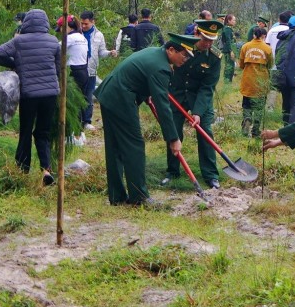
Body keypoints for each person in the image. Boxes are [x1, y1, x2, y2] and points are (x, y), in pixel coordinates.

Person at [95, 36, 192, 206]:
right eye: (184, 55)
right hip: (120, 98)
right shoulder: (161, 67)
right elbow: (163, 106)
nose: (185, 59)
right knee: (135, 146)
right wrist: (173, 138)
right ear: (171, 50)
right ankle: (139, 198)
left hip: (109, 94)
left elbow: (140, 77)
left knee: (115, 147)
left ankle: (117, 197)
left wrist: (145, 94)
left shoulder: (155, 52)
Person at [0, 9, 62, 185]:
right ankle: (46, 170)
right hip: (50, 93)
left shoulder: (19, 41)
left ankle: (22, 170)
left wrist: (15, 63)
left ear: (27, 23)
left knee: (25, 131)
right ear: (45, 22)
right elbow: (59, 69)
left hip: (29, 94)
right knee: (43, 132)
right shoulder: (54, 41)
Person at [166, 20, 223, 189]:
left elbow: (207, 87)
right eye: (205, 38)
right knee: (173, 132)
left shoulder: (214, 57)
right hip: (177, 94)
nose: (208, 43)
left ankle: (211, 175)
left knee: (205, 133)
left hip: (200, 97)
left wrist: (197, 112)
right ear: (197, 33)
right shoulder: (181, 45)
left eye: (211, 40)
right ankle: (172, 172)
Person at [238, 25, 273, 137]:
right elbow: (270, 65)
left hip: (248, 81)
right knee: (259, 107)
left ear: (253, 35)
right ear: (263, 36)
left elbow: (241, 65)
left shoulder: (245, 46)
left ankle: (246, 123)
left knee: (247, 106)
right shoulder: (267, 49)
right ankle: (256, 131)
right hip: (261, 82)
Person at [80, 10, 109, 131]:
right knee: (77, 95)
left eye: (86, 23)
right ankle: (76, 121)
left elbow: (101, 52)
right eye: (82, 23)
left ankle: (87, 121)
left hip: (91, 71)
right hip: (78, 69)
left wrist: (109, 53)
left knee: (88, 96)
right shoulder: (77, 33)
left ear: (93, 22)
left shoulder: (99, 35)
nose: (83, 26)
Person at [219, 14, 238, 83]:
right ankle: (227, 81)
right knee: (229, 66)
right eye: (233, 20)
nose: (235, 21)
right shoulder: (227, 29)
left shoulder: (229, 29)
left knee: (232, 65)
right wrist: (231, 51)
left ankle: (229, 81)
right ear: (229, 21)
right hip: (228, 51)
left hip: (230, 50)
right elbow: (228, 41)